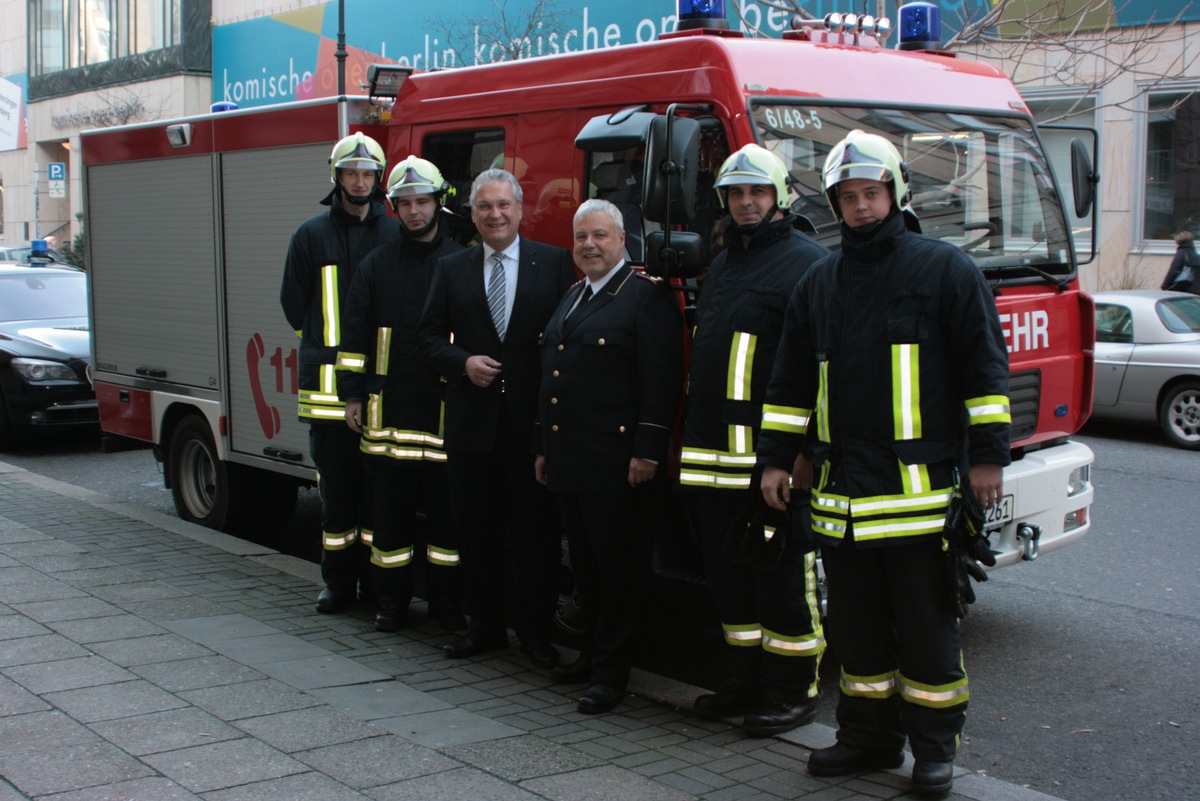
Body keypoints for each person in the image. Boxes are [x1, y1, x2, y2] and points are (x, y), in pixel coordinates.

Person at [757, 130, 1011, 798]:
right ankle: (867, 738)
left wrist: (988, 458)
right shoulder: (820, 282)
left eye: (871, 193)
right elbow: (787, 385)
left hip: (921, 499)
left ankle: (933, 750)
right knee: (856, 632)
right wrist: (777, 460)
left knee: (928, 631)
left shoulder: (944, 270)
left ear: (895, 192)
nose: (861, 207)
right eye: (849, 196)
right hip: (842, 503)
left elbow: (985, 371)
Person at [678, 144, 829, 735]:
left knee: (783, 579)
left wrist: (803, 452)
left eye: (757, 192)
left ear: (779, 197)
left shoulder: (808, 264)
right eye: (736, 194)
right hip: (711, 458)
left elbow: (818, 369)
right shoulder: (721, 266)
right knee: (728, 580)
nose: (746, 203)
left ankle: (794, 690)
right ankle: (744, 679)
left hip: (769, 462)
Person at [417, 168, 576, 667]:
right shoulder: (452, 268)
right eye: (485, 206)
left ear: (520, 209)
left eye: (504, 204)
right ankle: (484, 628)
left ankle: (533, 635)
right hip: (472, 429)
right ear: (473, 213)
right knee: (477, 534)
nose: (495, 214)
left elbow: (567, 341)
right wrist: (461, 363)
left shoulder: (553, 264)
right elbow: (424, 338)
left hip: (532, 429)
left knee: (537, 538)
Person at [534, 199, 684, 714]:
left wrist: (647, 451)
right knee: (590, 573)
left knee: (619, 574)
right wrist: (543, 447)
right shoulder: (574, 296)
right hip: (573, 462)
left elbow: (661, 384)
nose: (589, 246)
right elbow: (551, 379)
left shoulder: (644, 299)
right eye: (581, 238)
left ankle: (612, 674)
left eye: (600, 235)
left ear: (622, 240)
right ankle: (591, 655)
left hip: (620, 466)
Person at [335, 156, 466, 633]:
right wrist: (351, 394)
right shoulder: (375, 266)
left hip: (444, 417)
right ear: (394, 208)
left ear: (439, 203)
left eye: (422, 202)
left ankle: (447, 606)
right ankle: (390, 602)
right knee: (388, 522)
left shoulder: (462, 262)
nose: (414, 212)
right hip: (387, 415)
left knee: (447, 529)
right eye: (405, 203)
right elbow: (354, 338)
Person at [281, 132, 401, 615]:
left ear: (377, 179)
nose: (358, 181)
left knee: (378, 496)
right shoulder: (310, 236)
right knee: (336, 494)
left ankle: (374, 586)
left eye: (367, 174)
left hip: (380, 389)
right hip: (327, 395)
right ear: (337, 177)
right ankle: (336, 584)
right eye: (351, 173)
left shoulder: (393, 233)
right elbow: (294, 307)